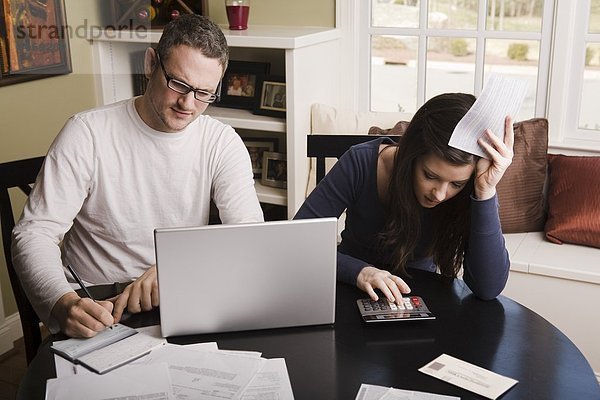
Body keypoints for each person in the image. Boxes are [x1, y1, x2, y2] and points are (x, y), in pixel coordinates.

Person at [11, 15, 264, 338]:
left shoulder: (221, 141)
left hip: (182, 291)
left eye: (204, 93)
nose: (188, 104)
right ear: (150, 64)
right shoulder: (87, 133)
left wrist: (178, 271)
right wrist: (62, 303)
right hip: (97, 303)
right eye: (179, 84)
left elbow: (249, 239)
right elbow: (34, 233)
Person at [294, 93, 513, 304]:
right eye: (430, 176)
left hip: (419, 295)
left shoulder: (474, 184)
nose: (439, 194)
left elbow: (488, 288)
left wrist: (485, 191)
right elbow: (299, 241)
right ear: (410, 155)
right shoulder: (361, 162)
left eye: (456, 184)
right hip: (349, 289)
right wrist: (360, 272)